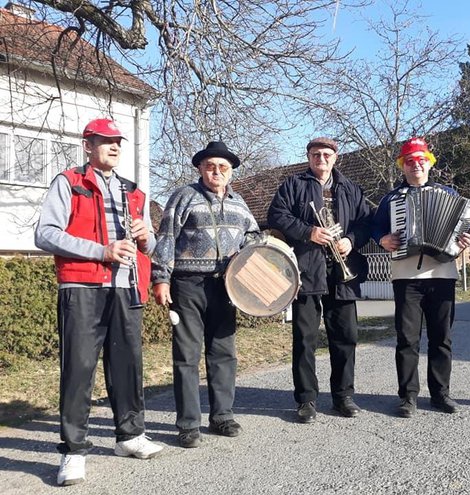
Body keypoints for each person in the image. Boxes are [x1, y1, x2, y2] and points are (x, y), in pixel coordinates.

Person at [34, 118, 163, 486]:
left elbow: (151, 245)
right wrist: (101, 251)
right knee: (78, 369)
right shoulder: (70, 182)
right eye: (105, 141)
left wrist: (144, 237)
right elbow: (44, 233)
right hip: (82, 287)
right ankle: (73, 452)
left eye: (117, 142)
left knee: (128, 366)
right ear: (87, 146)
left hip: (125, 287)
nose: (114, 147)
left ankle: (130, 436)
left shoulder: (134, 191)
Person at [151, 140, 260, 448]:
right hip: (187, 285)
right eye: (211, 166)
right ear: (200, 168)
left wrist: (258, 254)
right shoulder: (183, 196)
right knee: (186, 356)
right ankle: (187, 424)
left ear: (231, 172)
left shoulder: (239, 203)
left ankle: (222, 416)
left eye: (223, 167)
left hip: (226, 287)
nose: (217, 172)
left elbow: (253, 236)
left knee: (223, 354)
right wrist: (161, 279)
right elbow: (166, 238)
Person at [267, 137, 372, 423]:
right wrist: (308, 232)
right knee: (305, 339)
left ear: (335, 158)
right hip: (307, 271)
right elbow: (276, 215)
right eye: (316, 154)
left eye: (327, 154)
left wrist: (350, 240)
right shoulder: (293, 185)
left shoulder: (350, 188)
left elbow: (367, 223)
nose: (321, 159)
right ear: (308, 157)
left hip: (343, 273)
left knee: (345, 337)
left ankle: (343, 396)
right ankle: (306, 400)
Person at [372, 137, 470, 418]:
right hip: (405, 276)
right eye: (409, 161)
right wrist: (383, 239)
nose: (416, 165)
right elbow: (375, 227)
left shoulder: (449, 195)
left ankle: (441, 394)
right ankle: (408, 397)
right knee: (407, 338)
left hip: (442, 274)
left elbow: (466, 229)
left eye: (420, 160)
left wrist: (467, 239)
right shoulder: (391, 199)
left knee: (442, 338)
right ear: (402, 167)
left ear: (429, 164)